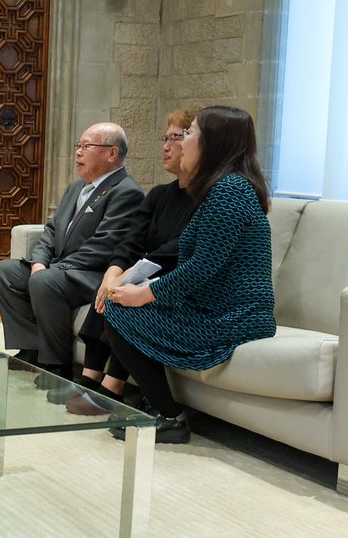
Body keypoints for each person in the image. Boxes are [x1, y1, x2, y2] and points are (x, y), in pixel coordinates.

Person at [103, 105, 276, 443]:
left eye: (190, 132)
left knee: (120, 311)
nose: (183, 141)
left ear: (212, 143)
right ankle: (156, 406)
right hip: (216, 308)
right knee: (122, 305)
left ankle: (169, 417)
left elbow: (201, 267)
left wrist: (144, 293)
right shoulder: (223, 189)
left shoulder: (230, 191)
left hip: (235, 317)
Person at [60, 109, 200, 412]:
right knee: (109, 286)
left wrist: (126, 278)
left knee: (126, 294)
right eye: (165, 138)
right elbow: (130, 241)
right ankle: (90, 377)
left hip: (175, 281)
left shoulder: (210, 199)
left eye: (176, 138)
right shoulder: (160, 194)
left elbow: (178, 250)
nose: (166, 146)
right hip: (145, 272)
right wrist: (113, 273)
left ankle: (113, 385)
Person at [0, 122, 144, 379]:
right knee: (5, 272)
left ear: (112, 153)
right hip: (60, 270)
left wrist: (52, 269)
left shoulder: (126, 192)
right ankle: (31, 349)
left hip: (92, 275)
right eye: (78, 145)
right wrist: (39, 262)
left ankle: (57, 366)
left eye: (87, 146)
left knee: (45, 281)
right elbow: (51, 230)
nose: (78, 152)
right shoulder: (76, 187)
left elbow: (103, 246)